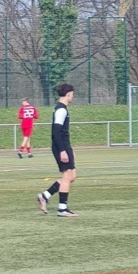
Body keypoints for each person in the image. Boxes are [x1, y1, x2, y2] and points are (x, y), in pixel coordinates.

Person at [37, 83, 78, 217]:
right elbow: (56, 132)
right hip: (61, 146)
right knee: (67, 176)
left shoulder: (62, 109)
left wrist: (69, 149)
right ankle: (62, 209)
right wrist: (62, 150)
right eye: (72, 94)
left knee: (71, 176)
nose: (73, 96)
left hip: (65, 145)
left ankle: (45, 195)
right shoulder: (61, 110)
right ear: (68, 94)